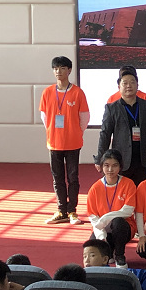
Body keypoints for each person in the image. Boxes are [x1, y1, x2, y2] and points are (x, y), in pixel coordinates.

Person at [40, 56, 89, 225]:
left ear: (69, 70)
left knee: (73, 177)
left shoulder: (77, 92)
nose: (58, 72)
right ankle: (61, 211)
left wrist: (75, 132)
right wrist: (53, 132)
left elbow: (84, 118)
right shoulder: (47, 92)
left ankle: (72, 210)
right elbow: (45, 117)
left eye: (62, 68)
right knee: (58, 178)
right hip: (54, 143)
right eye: (55, 68)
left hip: (73, 143)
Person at [96, 68, 146, 186]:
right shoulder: (111, 108)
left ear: (137, 85)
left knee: (142, 190)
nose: (129, 86)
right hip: (121, 159)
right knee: (122, 191)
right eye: (125, 83)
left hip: (142, 159)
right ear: (119, 87)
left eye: (132, 82)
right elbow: (105, 134)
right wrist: (100, 158)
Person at [87, 149, 137, 269]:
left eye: (114, 165)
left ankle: (119, 256)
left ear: (120, 167)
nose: (110, 169)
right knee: (92, 249)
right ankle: (109, 251)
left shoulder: (128, 184)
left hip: (123, 227)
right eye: (106, 165)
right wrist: (101, 236)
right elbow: (93, 217)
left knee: (118, 221)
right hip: (102, 227)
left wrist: (105, 218)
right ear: (101, 166)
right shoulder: (95, 188)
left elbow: (128, 211)